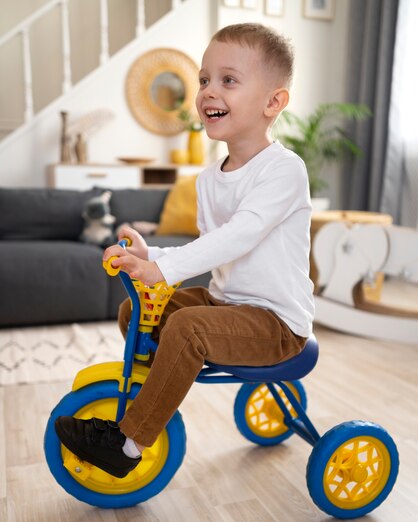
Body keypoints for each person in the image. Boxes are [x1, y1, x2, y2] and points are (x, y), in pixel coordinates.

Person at [55, 23, 314, 478]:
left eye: (228, 80)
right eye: (204, 79)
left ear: (273, 102)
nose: (209, 91)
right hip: (228, 303)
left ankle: (129, 444)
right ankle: (156, 394)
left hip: (276, 323)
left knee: (188, 329)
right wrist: (153, 255)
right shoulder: (209, 179)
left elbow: (240, 235)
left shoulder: (284, 171)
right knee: (132, 315)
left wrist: (166, 269)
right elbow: (208, 246)